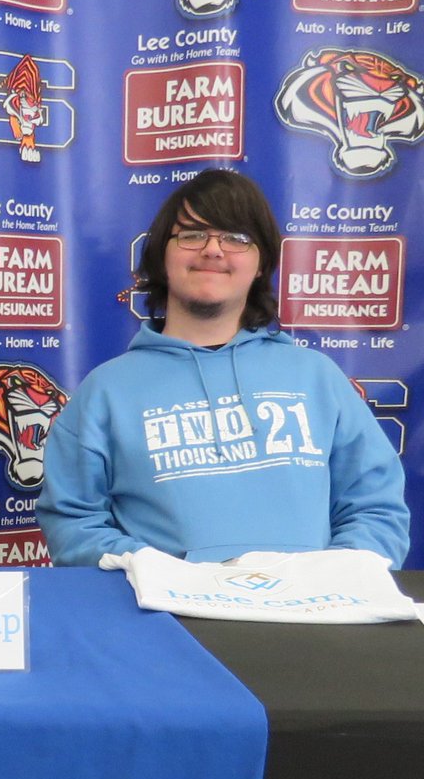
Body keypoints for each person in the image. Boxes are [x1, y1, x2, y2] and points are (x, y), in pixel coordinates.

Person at [37, 168, 410, 567]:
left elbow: (377, 510)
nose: (213, 250)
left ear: (261, 262)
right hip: (165, 607)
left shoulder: (317, 377)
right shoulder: (105, 392)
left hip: (310, 605)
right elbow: (73, 524)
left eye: (237, 238)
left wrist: (324, 579)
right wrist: (158, 573)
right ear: (162, 256)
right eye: (192, 235)